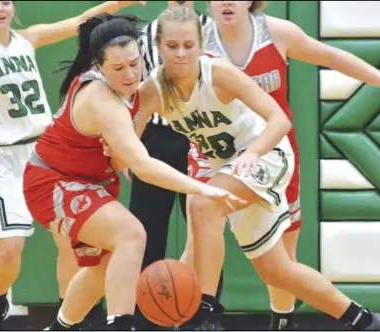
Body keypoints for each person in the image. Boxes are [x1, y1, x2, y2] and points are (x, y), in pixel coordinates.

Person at [102, 6, 380, 331]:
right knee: (276, 271)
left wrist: (252, 155)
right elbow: (125, 157)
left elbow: (278, 119)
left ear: (200, 45)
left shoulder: (219, 72)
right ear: (159, 48)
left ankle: (205, 308)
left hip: (266, 152)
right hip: (224, 165)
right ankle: (364, 320)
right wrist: (116, 147)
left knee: (202, 204)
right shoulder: (152, 91)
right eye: (172, 47)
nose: (180, 54)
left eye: (188, 46)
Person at [22, 13, 244, 331]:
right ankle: (122, 325)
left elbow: (123, 160)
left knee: (104, 268)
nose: (129, 74)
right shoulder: (101, 100)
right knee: (132, 234)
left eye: (134, 63)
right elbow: (142, 166)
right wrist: (204, 188)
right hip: (54, 182)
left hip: (90, 182)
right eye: (118, 68)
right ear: (99, 66)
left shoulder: (135, 88)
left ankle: (59, 328)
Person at [0, 1, 146, 330]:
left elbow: (79, 21)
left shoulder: (27, 39)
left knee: (71, 244)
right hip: (0, 154)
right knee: (11, 248)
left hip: (43, 149)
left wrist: (120, 3)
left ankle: (70, 319)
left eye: (5, 1)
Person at [129, 1, 224, 330]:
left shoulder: (213, 29)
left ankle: (205, 314)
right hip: (155, 138)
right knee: (146, 231)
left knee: (206, 230)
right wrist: (131, 145)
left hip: (201, 135)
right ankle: (145, 316)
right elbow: (134, 91)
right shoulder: (144, 34)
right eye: (173, 45)